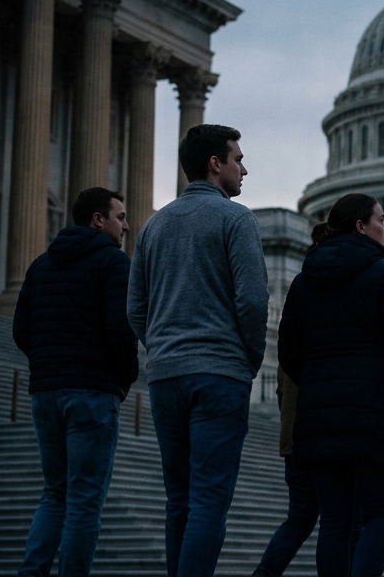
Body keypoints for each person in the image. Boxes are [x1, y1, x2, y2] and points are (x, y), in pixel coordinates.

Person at [128, 124, 269, 577]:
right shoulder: (236, 219)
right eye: (237, 158)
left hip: (166, 376)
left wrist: (165, 348)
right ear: (215, 164)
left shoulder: (153, 225)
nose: (243, 168)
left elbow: (135, 307)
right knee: (209, 500)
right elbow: (252, 300)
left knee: (180, 500)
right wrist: (249, 356)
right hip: (219, 373)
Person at [277, 193, 384, 577]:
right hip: (377, 416)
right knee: (381, 518)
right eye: (380, 219)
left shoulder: (305, 279)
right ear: (361, 226)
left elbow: (288, 351)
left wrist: (317, 383)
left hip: (321, 419)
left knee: (335, 523)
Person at [13, 187, 138, 577]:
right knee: (85, 500)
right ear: (98, 220)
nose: (126, 225)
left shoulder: (40, 265)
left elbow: (21, 329)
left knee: (55, 494)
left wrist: (49, 363)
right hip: (92, 392)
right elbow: (122, 330)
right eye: (120, 217)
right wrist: (124, 376)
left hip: (45, 393)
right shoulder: (114, 264)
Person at [252, 366, 321, 577]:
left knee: (299, 518)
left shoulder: (292, 335)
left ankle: (266, 571)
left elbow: (281, 391)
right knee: (340, 523)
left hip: (294, 440)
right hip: (325, 438)